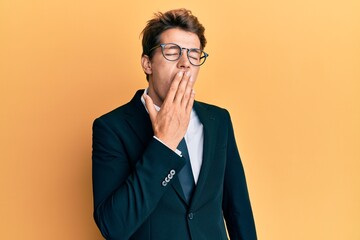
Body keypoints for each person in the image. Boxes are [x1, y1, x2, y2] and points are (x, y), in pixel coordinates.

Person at [92, 8, 257, 240]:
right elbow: (114, 227)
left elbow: (238, 209)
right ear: (147, 64)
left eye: (193, 54)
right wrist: (163, 144)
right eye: (172, 52)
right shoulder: (112, 128)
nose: (184, 64)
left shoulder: (218, 121)